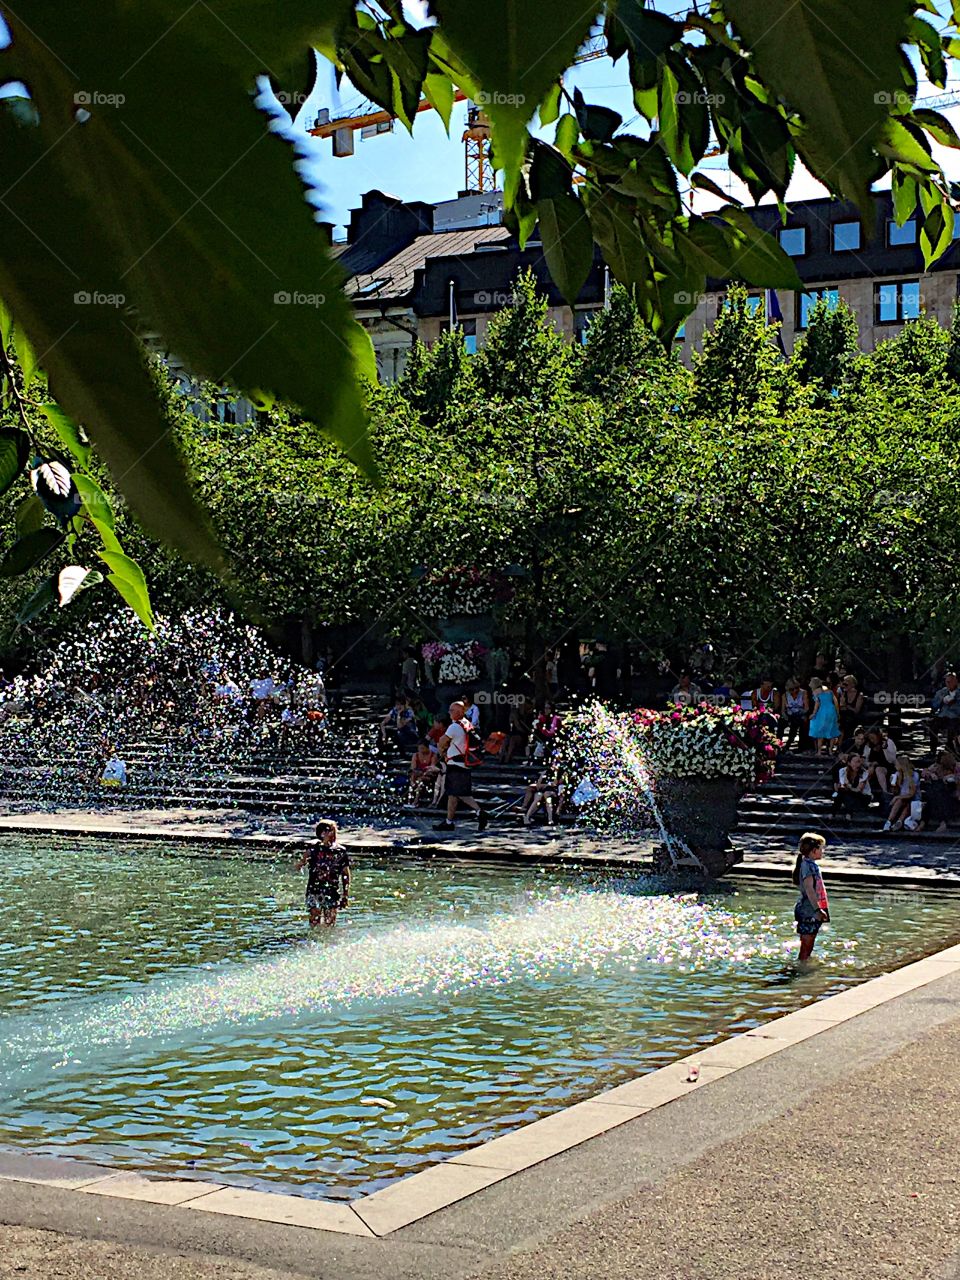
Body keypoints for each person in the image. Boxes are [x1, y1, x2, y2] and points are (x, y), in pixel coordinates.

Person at [433, 701, 489, 832]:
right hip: (465, 762)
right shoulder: (467, 724)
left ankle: (480, 812)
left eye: (451, 710)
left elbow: (441, 742)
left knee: (460, 793)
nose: (449, 713)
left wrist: (443, 753)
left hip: (456, 764)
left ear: (459, 712)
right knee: (453, 794)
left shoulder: (454, 727)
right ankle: (449, 822)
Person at [295, 820, 350, 929]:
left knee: (330, 924)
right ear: (322, 833)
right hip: (314, 890)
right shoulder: (313, 849)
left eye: (335, 831)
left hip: (332, 891)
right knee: (314, 921)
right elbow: (299, 865)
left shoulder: (340, 851)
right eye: (331, 831)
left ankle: (328, 943)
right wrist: (302, 863)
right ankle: (313, 941)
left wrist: (345, 894)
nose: (334, 834)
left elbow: (346, 874)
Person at [793, 832, 829, 962]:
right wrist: (817, 909)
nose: (822, 851)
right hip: (809, 910)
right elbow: (809, 889)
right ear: (814, 851)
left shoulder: (809, 864)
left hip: (810, 909)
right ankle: (802, 966)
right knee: (807, 944)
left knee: (809, 941)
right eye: (821, 849)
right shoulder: (807, 866)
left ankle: (805, 963)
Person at [883, 754, 919, 832]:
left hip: (912, 799)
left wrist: (897, 797)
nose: (895, 765)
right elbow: (896, 792)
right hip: (902, 798)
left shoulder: (914, 775)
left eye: (897, 764)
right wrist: (893, 784)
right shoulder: (897, 774)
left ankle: (899, 821)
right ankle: (889, 822)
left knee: (907, 803)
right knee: (900, 801)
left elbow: (912, 794)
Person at [832, 752, 871, 820]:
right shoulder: (842, 771)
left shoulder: (864, 772)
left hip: (863, 796)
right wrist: (846, 783)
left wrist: (848, 786)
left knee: (846, 793)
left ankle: (833, 814)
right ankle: (847, 815)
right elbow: (842, 785)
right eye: (855, 762)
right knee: (844, 793)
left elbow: (859, 789)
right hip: (848, 794)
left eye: (858, 762)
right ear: (849, 763)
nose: (857, 764)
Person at [807, 677, 840, 756]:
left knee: (820, 731)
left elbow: (817, 704)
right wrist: (837, 713)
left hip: (822, 711)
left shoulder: (815, 692)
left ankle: (819, 751)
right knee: (832, 730)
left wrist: (814, 714)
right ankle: (831, 750)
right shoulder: (829, 691)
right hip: (831, 710)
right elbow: (835, 702)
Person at [863, 726, 898, 798]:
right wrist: (871, 764)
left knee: (878, 769)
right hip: (872, 767)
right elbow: (865, 760)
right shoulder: (868, 745)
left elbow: (892, 759)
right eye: (870, 738)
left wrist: (885, 749)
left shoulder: (888, 742)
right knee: (870, 770)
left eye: (873, 737)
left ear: (878, 735)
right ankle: (864, 790)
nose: (872, 740)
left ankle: (885, 792)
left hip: (887, 766)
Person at [930, 672, 960, 753]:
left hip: (956, 717)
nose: (949, 684)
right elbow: (934, 705)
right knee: (933, 726)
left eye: (951, 682)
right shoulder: (941, 692)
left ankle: (950, 749)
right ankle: (933, 750)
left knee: (952, 728)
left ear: (956, 682)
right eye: (947, 682)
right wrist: (941, 700)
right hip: (943, 716)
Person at [409, 739, 441, 806]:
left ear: (427, 747)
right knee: (413, 777)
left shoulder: (433, 755)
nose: (421, 750)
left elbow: (432, 769)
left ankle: (416, 800)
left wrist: (422, 774)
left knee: (420, 780)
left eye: (422, 748)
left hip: (429, 776)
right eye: (419, 748)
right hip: (417, 774)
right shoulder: (415, 755)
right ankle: (410, 800)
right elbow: (413, 768)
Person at [837, 675, 864, 748]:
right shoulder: (843, 693)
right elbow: (842, 707)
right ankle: (840, 747)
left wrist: (847, 706)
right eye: (844, 682)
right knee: (841, 723)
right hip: (844, 716)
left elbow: (856, 710)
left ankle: (845, 746)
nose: (845, 684)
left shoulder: (859, 695)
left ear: (853, 684)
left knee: (847, 724)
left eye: (847, 682)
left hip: (854, 716)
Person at [782, 678, 809, 751]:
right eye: (791, 689)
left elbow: (806, 708)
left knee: (801, 722)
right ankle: (786, 744)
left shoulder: (803, 693)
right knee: (792, 722)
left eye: (797, 688)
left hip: (800, 714)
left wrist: (800, 713)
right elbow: (783, 711)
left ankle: (797, 744)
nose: (795, 691)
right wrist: (786, 717)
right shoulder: (785, 695)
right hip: (790, 715)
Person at [503, 698, 532, 764]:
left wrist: (516, 720)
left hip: (524, 735)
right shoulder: (516, 713)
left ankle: (507, 758)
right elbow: (511, 726)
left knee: (513, 740)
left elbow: (523, 729)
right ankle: (501, 757)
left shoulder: (529, 715)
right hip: (514, 733)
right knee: (506, 738)